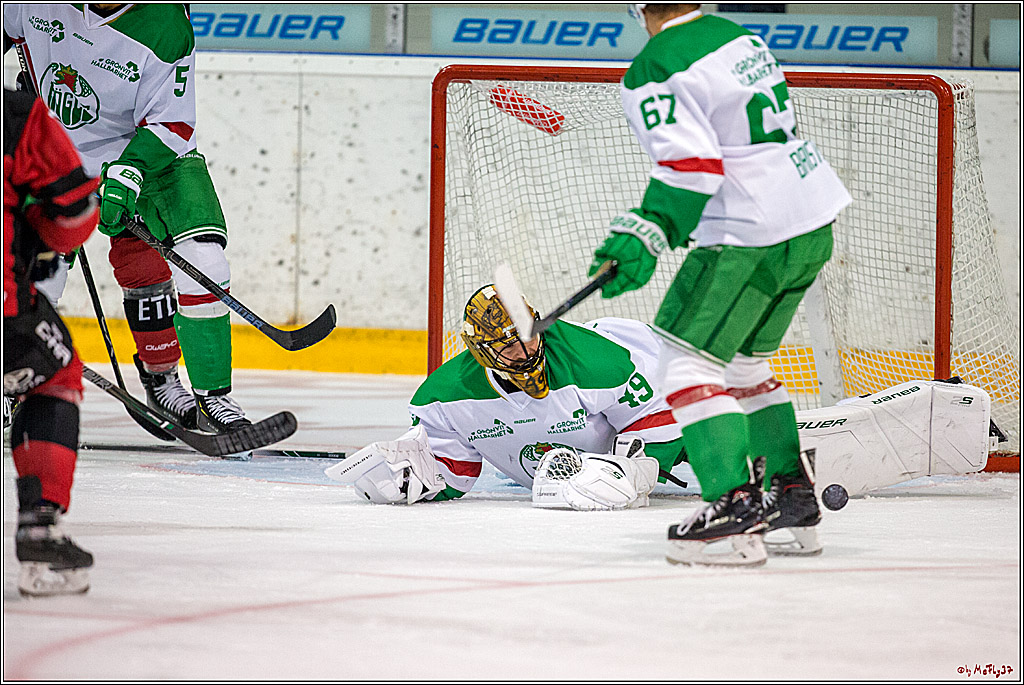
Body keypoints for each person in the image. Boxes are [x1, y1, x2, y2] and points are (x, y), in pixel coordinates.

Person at [589, 4, 852, 565]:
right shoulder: (737, 35)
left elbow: (694, 167)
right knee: (744, 367)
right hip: (811, 221)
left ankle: (733, 515)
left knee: (686, 366)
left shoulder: (657, 63)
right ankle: (791, 494)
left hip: (748, 235)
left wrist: (647, 232)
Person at [3, 3, 250, 435]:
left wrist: (129, 172)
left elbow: (171, 124)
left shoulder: (166, 24)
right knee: (28, 276)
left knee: (203, 262)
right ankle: (11, 385)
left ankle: (198, 391)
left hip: (146, 151)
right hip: (54, 150)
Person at [326, 285, 689, 511]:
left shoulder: (601, 365)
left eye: (529, 335)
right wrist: (411, 480)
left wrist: (632, 472)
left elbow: (661, 413)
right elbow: (454, 474)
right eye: (508, 345)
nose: (525, 350)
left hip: (673, 370)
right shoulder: (443, 398)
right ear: (480, 351)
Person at [4, 86, 100, 596]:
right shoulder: (16, 114)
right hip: (7, 315)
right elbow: (75, 213)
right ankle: (39, 525)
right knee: (57, 375)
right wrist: (34, 234)